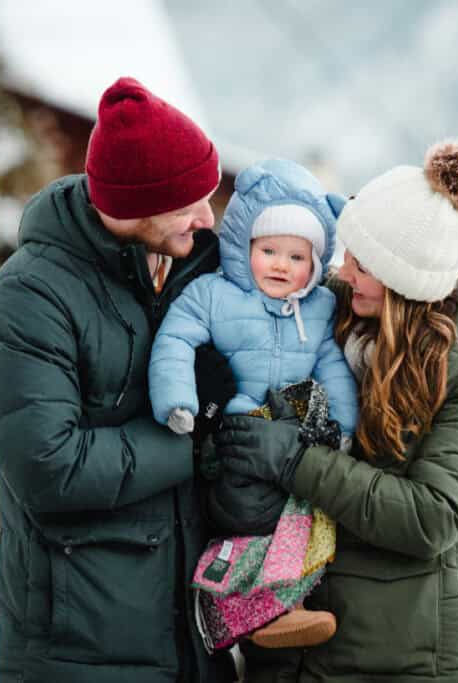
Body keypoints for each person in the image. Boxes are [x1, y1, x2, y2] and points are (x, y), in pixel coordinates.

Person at [213, 138, 458, 682]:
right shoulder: (330, 314)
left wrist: (295, 463)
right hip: (297, 660)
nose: (344, 268)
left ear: (406, 280)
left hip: (405, 661)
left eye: (363, 261)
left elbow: (431, 516)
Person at [0, 76, 234, 683]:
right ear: (136, 201)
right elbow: (50, 468)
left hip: (192, 643)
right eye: (188, 200)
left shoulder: (196, 268)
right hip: (77, 653)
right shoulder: (29, 297)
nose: (205, 215)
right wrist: (196, 441)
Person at [148, 159, 358, 650]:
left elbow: (332, 366)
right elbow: (175, 341)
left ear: (316, 262)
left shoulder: (321, 308)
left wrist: (343, 426)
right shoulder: (213, 296)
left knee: (306, 520)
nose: (282, 265)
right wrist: (176, 401)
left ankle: (284, 607)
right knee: (248, 517)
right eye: (268, 251)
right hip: (237, 431)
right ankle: (234, 602)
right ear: (244, 248)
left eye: (297, 256)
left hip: (295, 433)